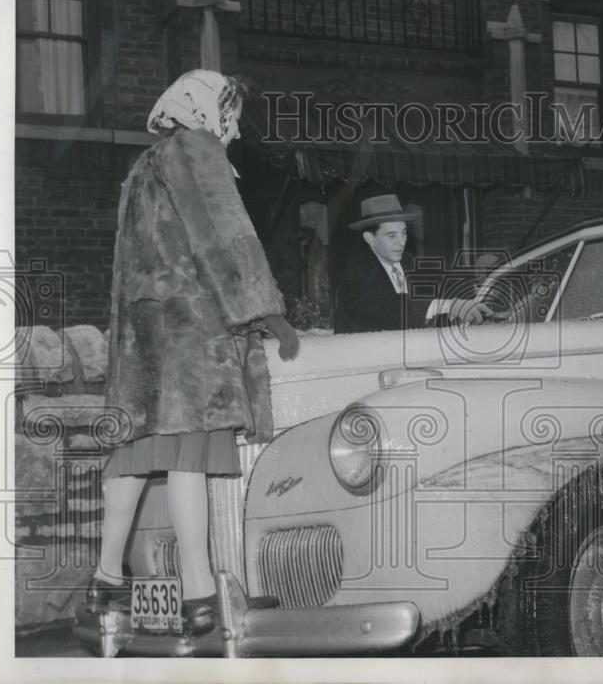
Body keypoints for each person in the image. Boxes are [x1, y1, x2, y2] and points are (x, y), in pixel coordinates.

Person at [89, 69, 299, 635]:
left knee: (138, 455)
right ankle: (200, 594)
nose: (233, 128)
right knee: (187, 460)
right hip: (189, 338)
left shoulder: (146, 163)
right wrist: (269, 312)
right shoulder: (196, 150)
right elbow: (224, 235)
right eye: (230, 114)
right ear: (209, 109)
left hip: (145, 340)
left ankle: (107, 582)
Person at [333, 194, 492, 333]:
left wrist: (478, 276)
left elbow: (440, 279)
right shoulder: (357, 271)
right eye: (391, 236)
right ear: (370, 239)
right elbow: (388, 307)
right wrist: (450, 306)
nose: (401, 242)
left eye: (403, 233)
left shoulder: (406, 261)